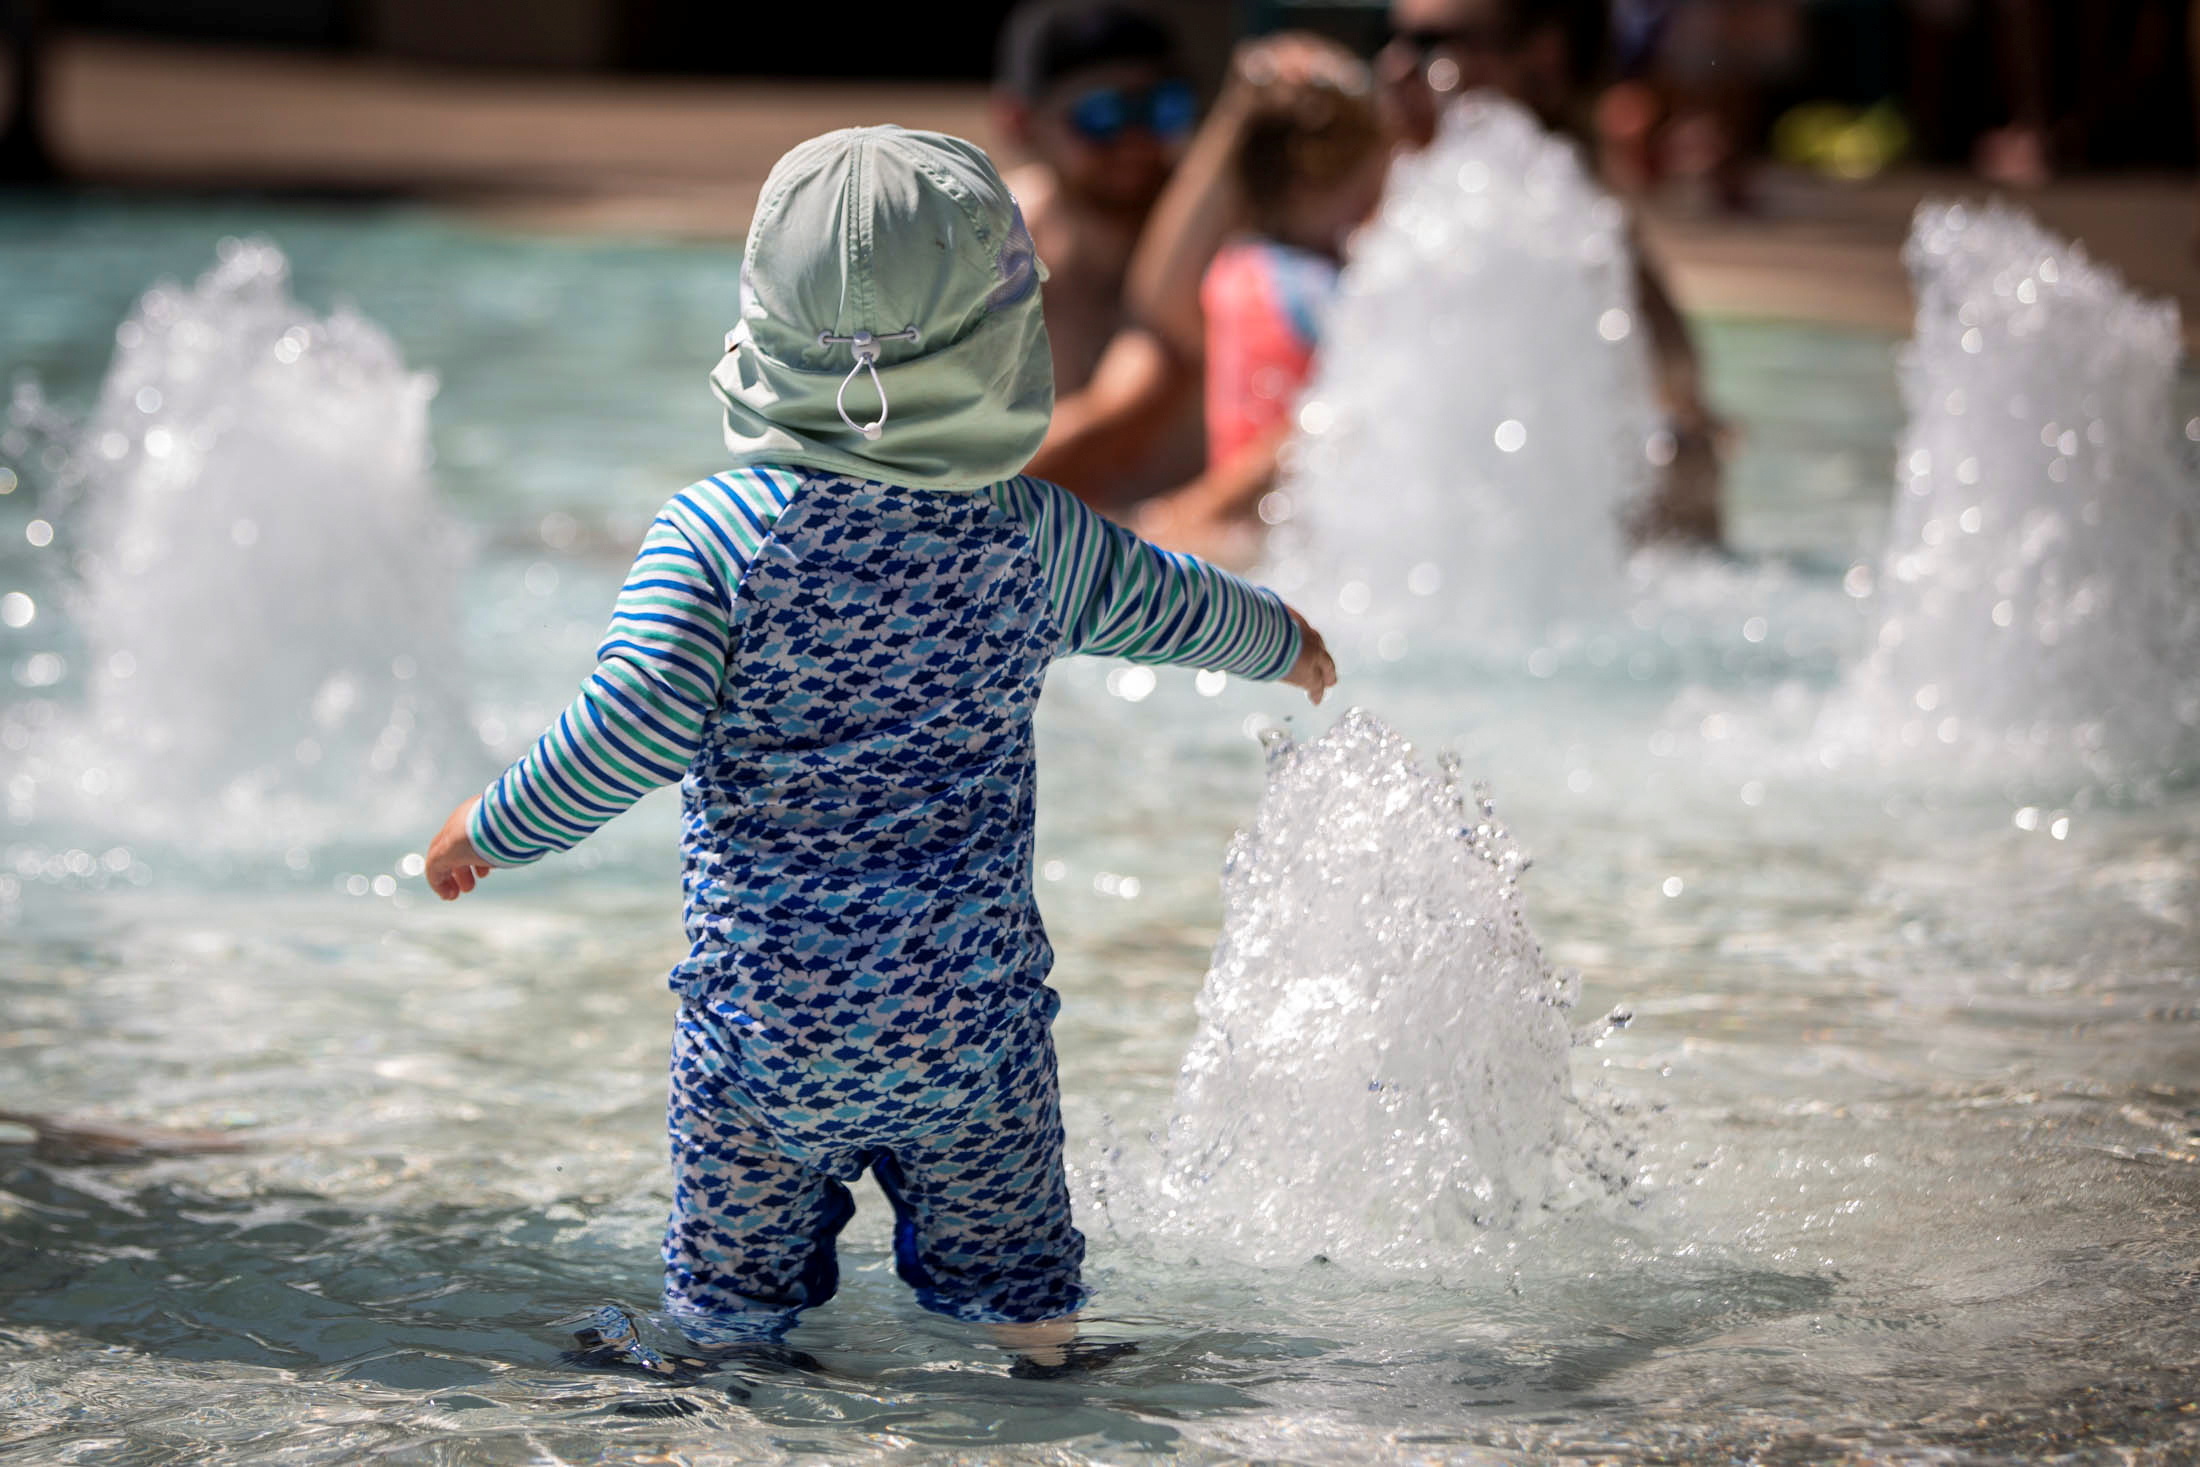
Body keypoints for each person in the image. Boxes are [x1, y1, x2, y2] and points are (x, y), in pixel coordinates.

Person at [419, 126, 1336, 1381]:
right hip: (971, 1027)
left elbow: (626, 729)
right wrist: (1283, 640)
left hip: (763, 1030)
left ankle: (727, 1372)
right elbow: (1177, 601)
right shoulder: (1035, 537)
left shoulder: (713, 536)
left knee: (727, 1308)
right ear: (1007, 340)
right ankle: (1046, 1365)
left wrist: (491, 823)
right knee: (1024, 1285)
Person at [1379, 0, 1728, 545]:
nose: (1394, 66)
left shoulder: (1563, 246)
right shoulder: (1407, 213)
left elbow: (1686, 462)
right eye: (1392, 38)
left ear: (1544, 56)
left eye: (1432, 45)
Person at [1127, 37, 1390, 567]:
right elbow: (1345, 413)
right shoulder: (1323, 287)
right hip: (1274, 527)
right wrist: (1205, 508)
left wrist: (1237, 114)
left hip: (1246, 530)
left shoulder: (1234, 270)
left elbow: (1156, 298)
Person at [992, 0, 1210, 511]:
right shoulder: (985, 246)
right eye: (1102, 114)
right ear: (1019, 122)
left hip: (1188, 565)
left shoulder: (1217, 238)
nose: (1136, 140)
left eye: (1163, 108)